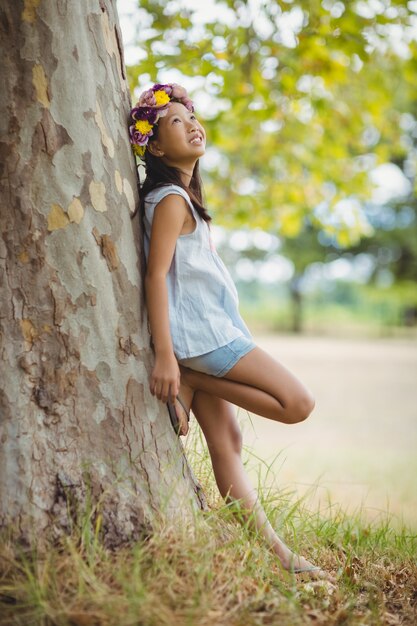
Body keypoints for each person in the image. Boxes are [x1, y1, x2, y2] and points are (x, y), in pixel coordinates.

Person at [129, 82, 333, 580]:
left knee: (228, 443)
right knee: (297, 403)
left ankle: (283, 559)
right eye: (175, 121)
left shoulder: (179, 198)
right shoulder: (173, 198)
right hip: (203, 340)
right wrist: (167, 358)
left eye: (191, 116)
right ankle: (196, 382)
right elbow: (155, 276)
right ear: (154, 146)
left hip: (200, 338)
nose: (191, 123)